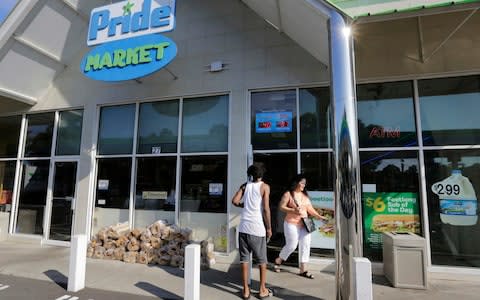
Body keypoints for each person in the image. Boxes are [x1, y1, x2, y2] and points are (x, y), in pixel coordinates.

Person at [273, 174, 327, 279]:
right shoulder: (289, 194)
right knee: (292, 245)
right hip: (291, 223)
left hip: (305, 224)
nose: (304, 185)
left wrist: (320, 217)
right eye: (302, 183)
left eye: (304, 183)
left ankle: (303, 270)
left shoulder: (305, 196)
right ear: (297, 182)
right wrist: (293, 210)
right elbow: (281, 207)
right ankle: (279, 260)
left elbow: (310, 209)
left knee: (306, 245)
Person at [232, 164, 273, 299]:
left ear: (250, 174)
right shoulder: (265, 187)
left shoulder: (245, 185)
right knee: (262, 260)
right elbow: (266, 209)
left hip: (243, 227)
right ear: (262, 174)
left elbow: (234, 201)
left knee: (244, 259)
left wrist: (244, 205)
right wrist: (269, 228)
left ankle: (245, 291)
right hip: (257, 228)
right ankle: (262, 290)